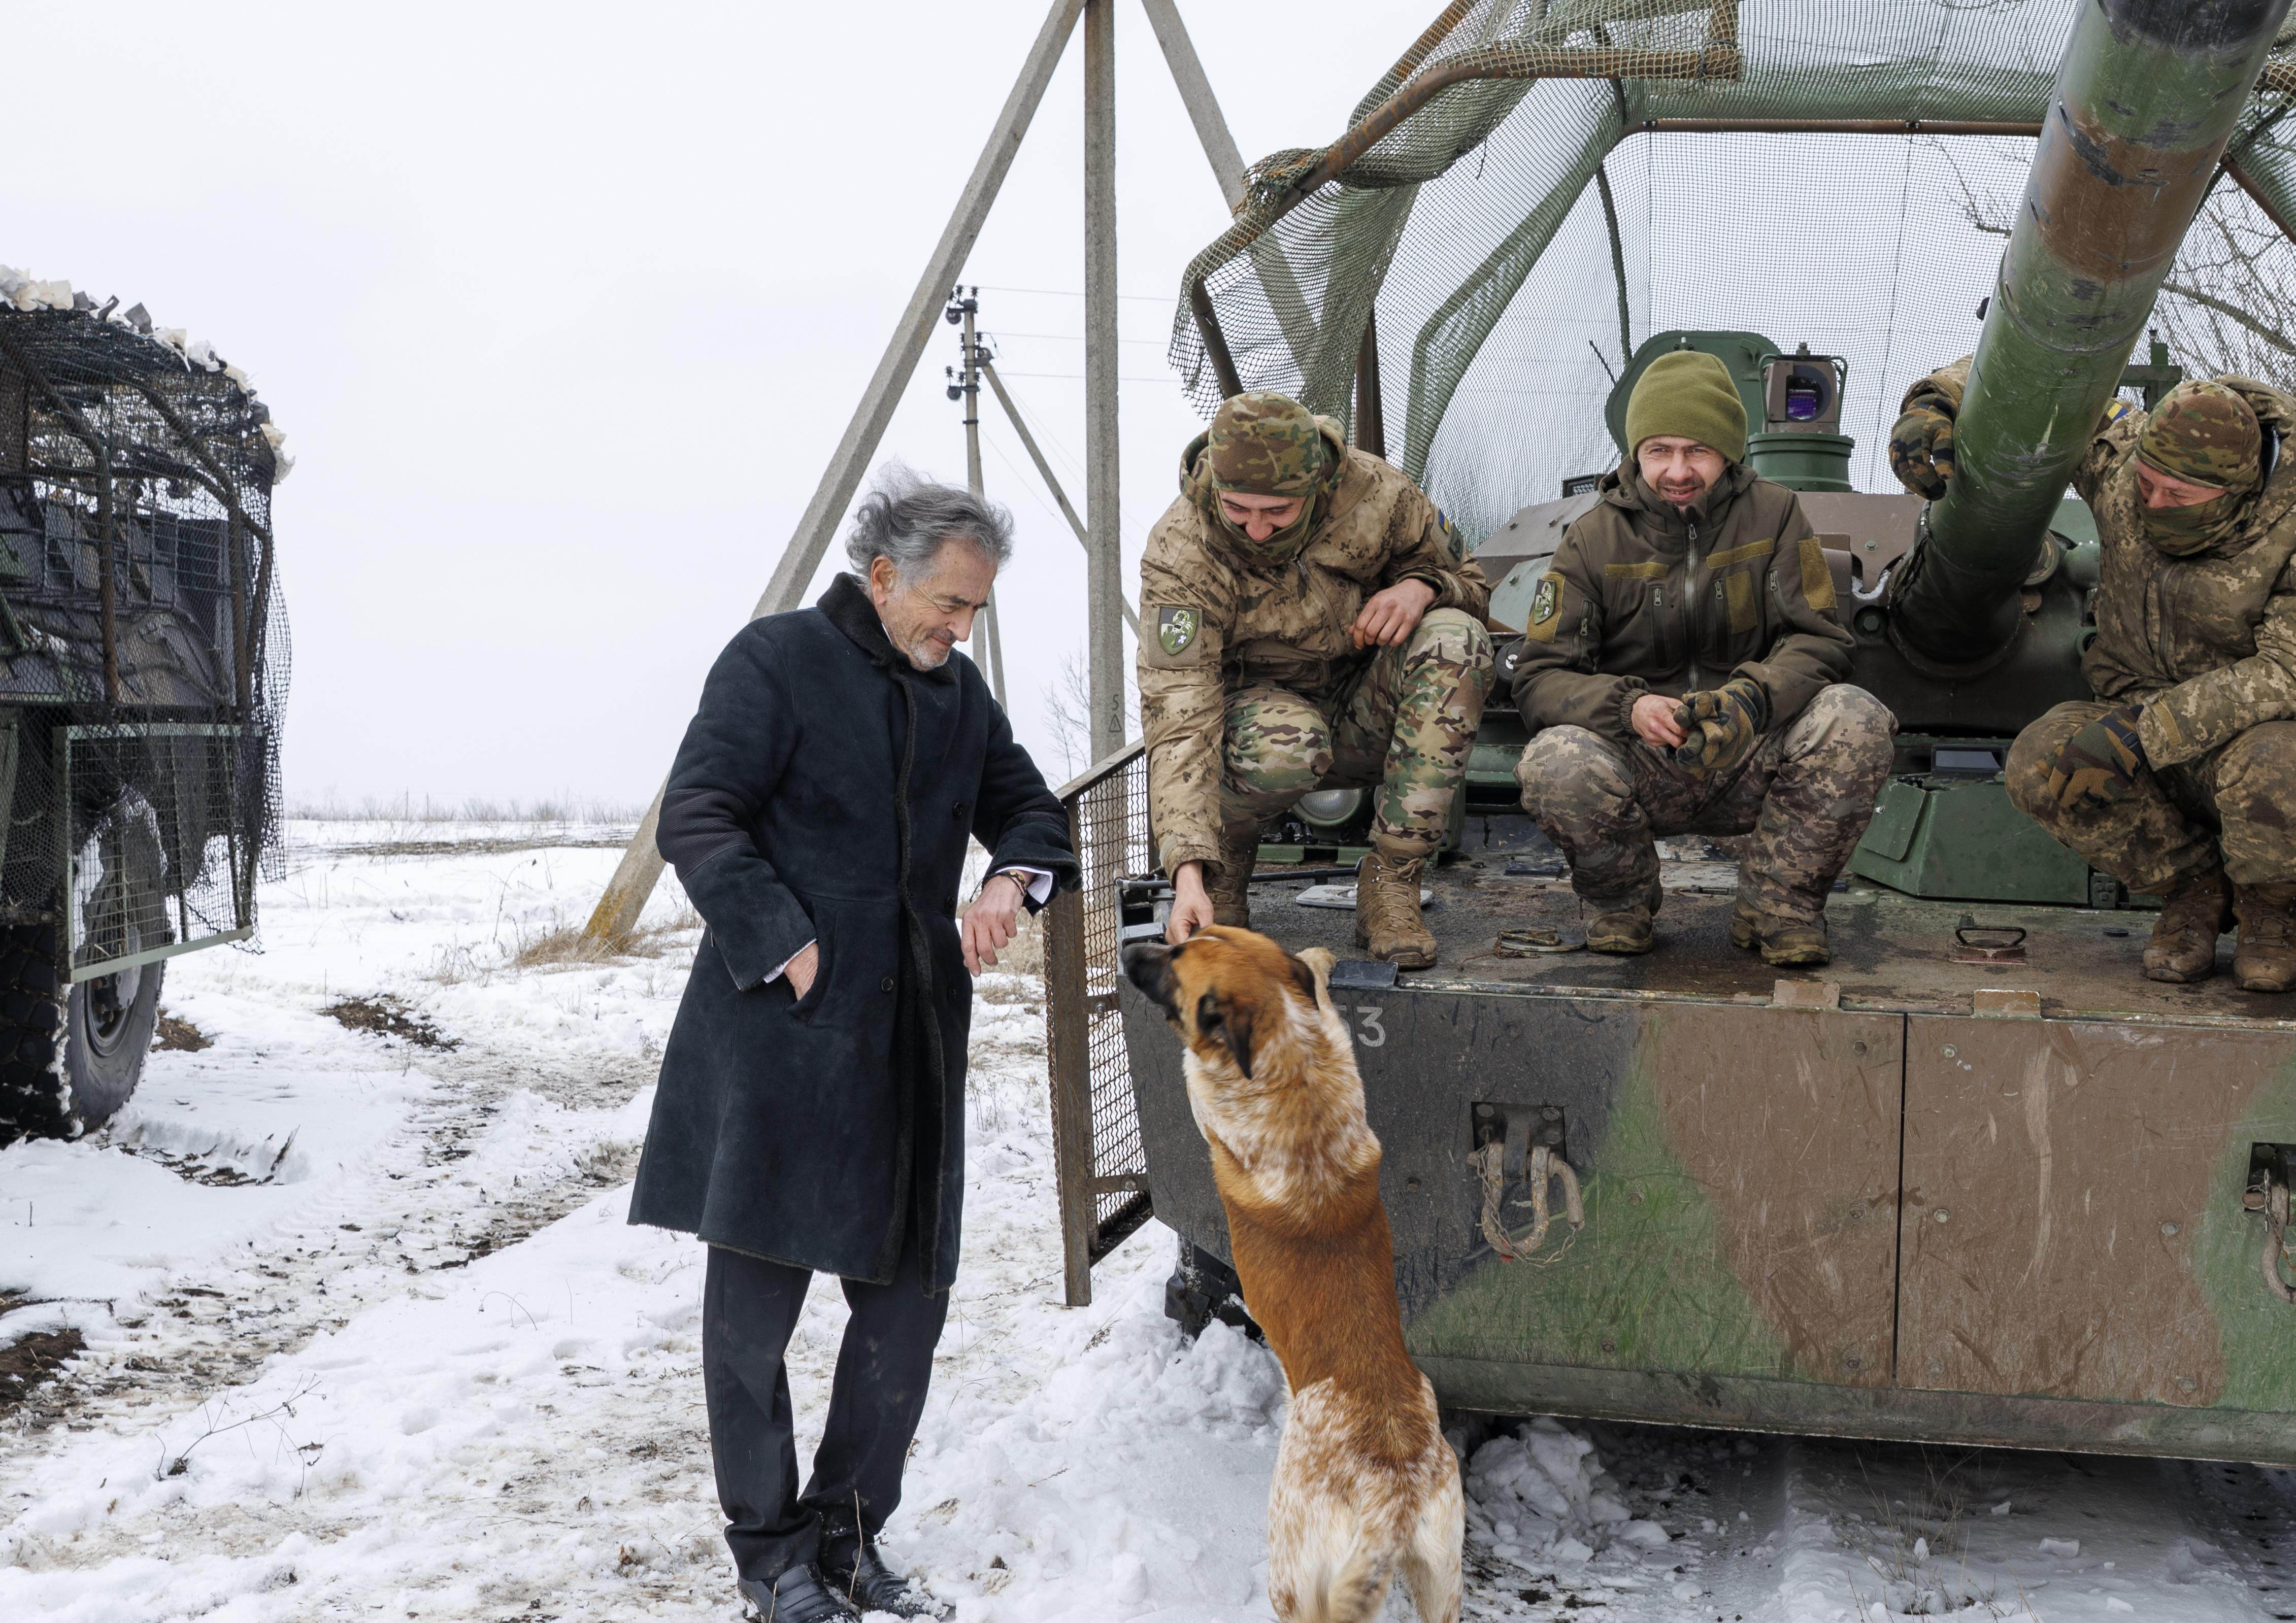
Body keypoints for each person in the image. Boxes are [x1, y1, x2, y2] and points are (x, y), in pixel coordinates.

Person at [628, 470, 1077, 1620]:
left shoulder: (961, 697)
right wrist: (787, 940)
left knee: (907, 1303)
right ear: (882, 575)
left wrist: (1008, 883)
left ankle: (846, 1531)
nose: (959, 626)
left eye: (975, 610)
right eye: (948, 602)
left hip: (912, 1048)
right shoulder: (774, 660)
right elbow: (699, 812)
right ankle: (770, 1555)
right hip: (782, 1042)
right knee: (752, 1321)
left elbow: (1034, 811)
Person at [1894, 361, 2296, 991]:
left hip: (2245, 730)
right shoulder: (2119, 455)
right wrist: (1930, 407)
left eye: (2178, 498)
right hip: (2127, 700)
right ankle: (2190, 892)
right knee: (2038, 764)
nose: (2153, 504)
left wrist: (2146, 730)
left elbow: (2284, 669)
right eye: (2146, 486)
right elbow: (2035, 378)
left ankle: (2272, 911)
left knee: (2279, 765)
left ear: (2239, 490)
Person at [1511, 349, 1897, 965]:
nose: (1677, 470)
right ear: (1636, 453)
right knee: (1554, 759)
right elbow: (1538, 677)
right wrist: (1628, 707)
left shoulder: (1775, 514)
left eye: (1697, 450)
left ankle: (1780, 909)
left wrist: (1749, 699)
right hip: (1643, 757)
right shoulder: (1592, 537)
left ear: (1728, 452)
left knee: (1854, 717)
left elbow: (1820, 639)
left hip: (1749, 746)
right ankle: (1621, 903)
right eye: (1658, 450)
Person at [1138, 390, 1492, 967]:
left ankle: (1391, 881)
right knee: (1286, 742)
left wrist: (1423, 586)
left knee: (1456, 637)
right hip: (1260, 726)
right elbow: (1179, 710)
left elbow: (1474, 587)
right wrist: (1187, 871)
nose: (1255, 531)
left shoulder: (1378, 495)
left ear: (1315, 486)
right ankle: (1222, 873)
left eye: (1277, 513)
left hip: (1365, 704)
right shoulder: (1183, 548)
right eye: (1238, 511)